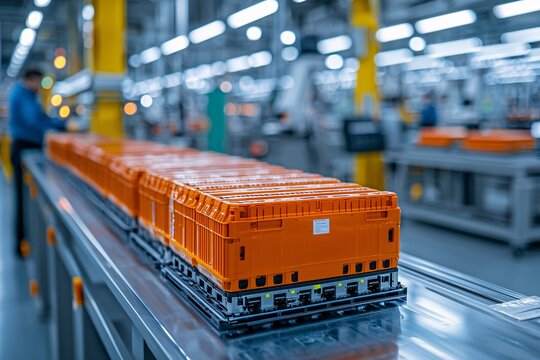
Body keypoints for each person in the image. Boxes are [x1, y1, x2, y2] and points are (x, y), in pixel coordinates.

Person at [9, 68, 66, 258]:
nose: (39, 87)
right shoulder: (24, 95)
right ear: (30, 79)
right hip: (24, 149)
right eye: (38, 83)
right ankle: (22, 244)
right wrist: (60, 125)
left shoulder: (22, 93)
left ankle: (24, 241)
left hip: (24, 148)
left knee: (23, 199)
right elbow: (35, 120)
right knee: (23, 199)